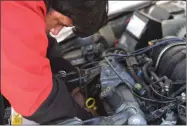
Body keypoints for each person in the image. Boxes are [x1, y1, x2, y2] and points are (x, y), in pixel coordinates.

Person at [1, 0, 108, 124]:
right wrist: (86, 117)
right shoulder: (15, 16)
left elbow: (35, 43)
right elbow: (39, 102)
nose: (55, 31)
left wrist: (67, 74)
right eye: (59, 22)